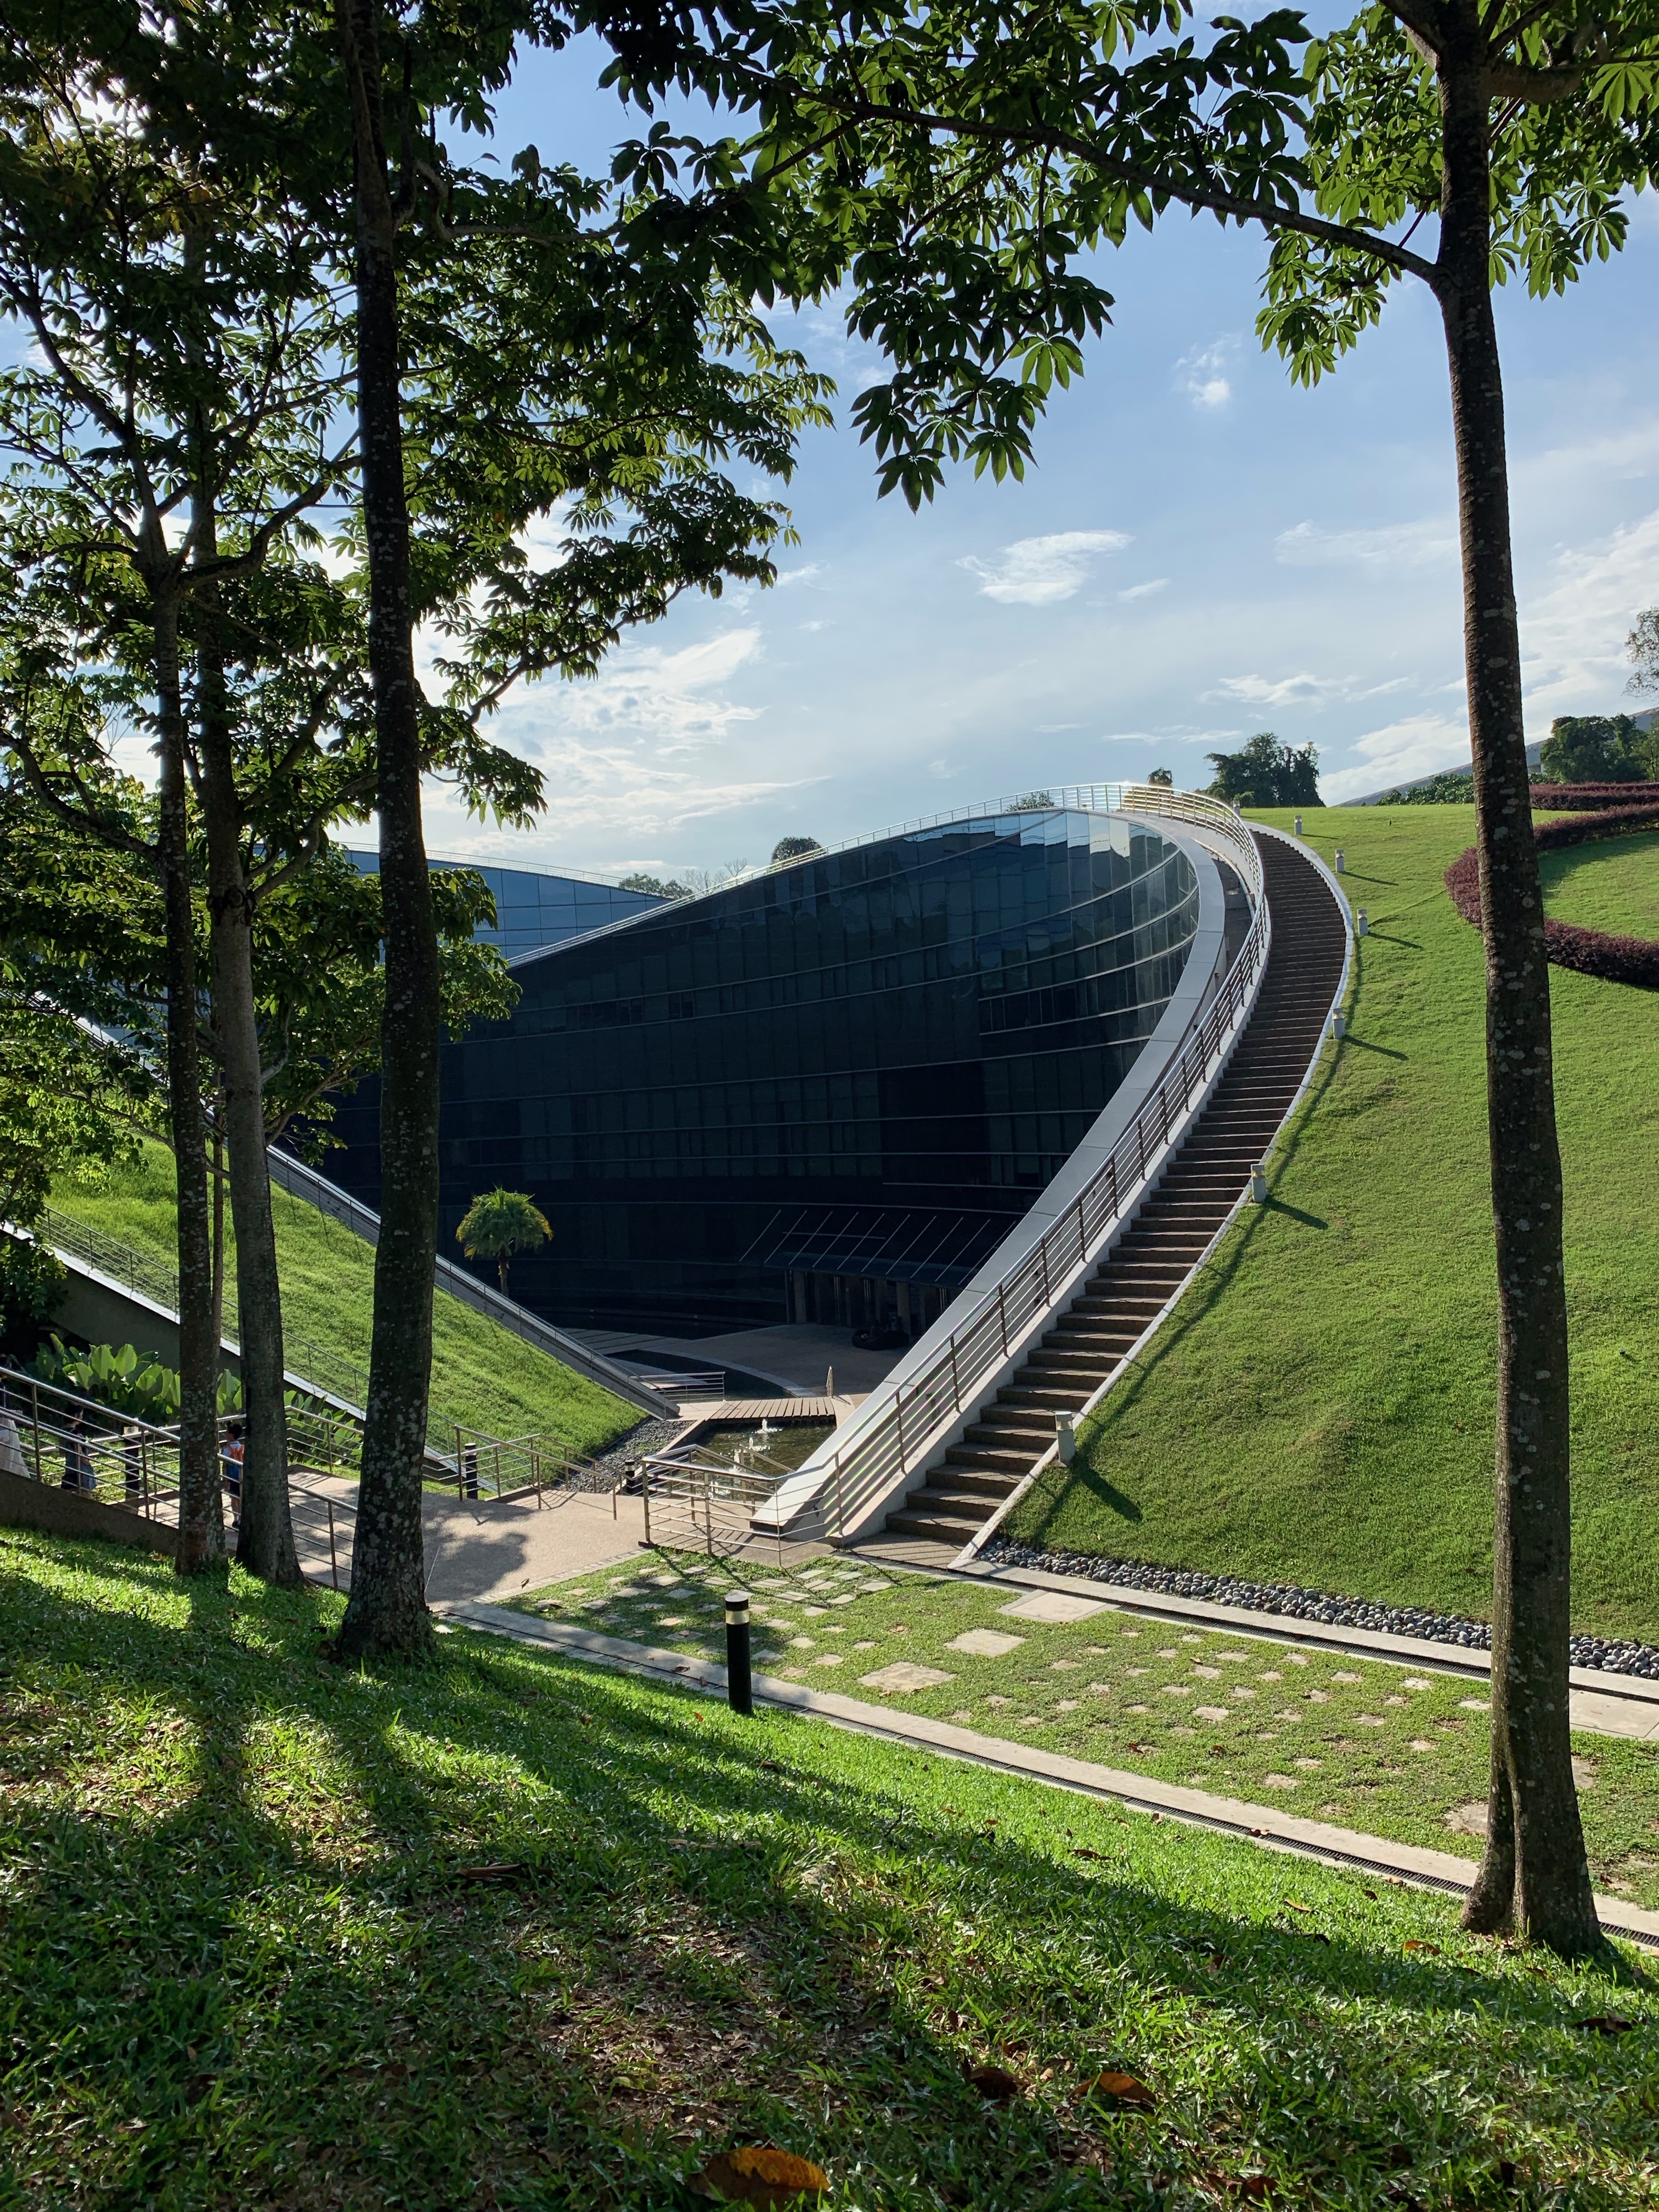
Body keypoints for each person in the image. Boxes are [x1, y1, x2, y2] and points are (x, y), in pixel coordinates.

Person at [221, 1419, 245, 1524]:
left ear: (231, 1435)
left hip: (232, 1478)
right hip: (242, 1477)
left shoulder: (226, 1450)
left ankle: (236, 1518)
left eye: (227, 1433)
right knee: (241, 1498)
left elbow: (225, 1466)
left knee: (234, 1498)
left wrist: (225, 1479)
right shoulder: (243, 1448)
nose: (226, 1435)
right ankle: (241, 1518)